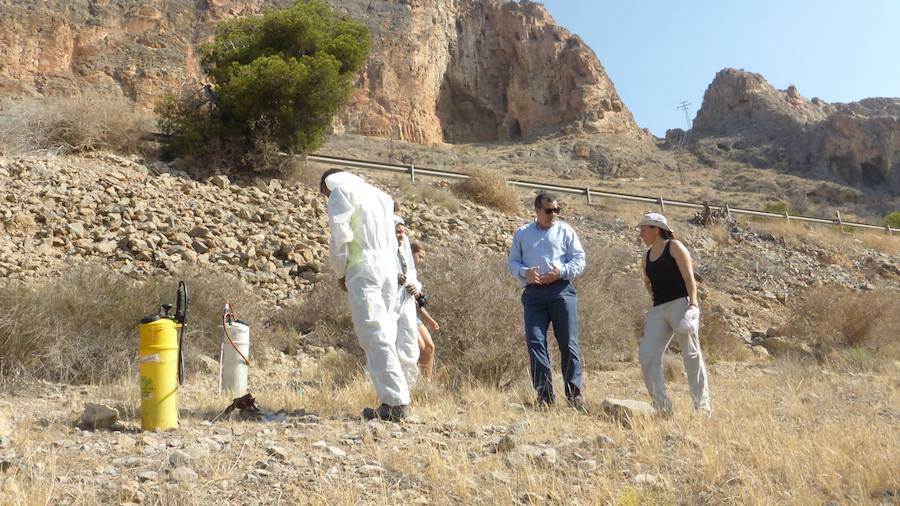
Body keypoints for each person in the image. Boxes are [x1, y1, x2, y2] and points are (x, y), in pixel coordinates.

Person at [320, 168, 410, 421]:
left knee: (373, 333)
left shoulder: (341, 193)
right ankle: (397, 397)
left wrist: (340, 273)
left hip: (363, 270)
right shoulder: (381, 196)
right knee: (387, 333)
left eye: (324, 195)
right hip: (387, 270)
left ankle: (394, 404)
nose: (327, 199)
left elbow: (340, 238)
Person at [508, 192, 586, 411]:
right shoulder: (522, 234)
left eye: (556, 210)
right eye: (549, 210)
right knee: (535, 342)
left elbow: (579, 260)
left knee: (568, 343)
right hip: (533, 295)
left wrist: (561, 272)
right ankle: (544, 396)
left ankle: (574, 395)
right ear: (537, 210)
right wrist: (525, 272)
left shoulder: (566, 231)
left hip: (561, 291)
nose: (553, 215)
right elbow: (513, 263)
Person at [637, 212, 711, 417]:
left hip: (680, 303)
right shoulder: (645, 256)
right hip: (658, 309)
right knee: (647, 356)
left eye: (644, 229)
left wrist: (693, 305)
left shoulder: (675, 247)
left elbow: (689, 278)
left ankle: (702, 408)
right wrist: (654, 299)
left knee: (691, 354)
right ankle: (662, 407)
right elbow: (647, 282)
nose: (641, 234)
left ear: (656, 229)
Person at [393, 215, 421, 387]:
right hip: (390, 306)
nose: (400, 235)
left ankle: (410, 386)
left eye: (402, 231)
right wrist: (393, 277)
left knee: (410, 345)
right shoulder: (383, 252)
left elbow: (413, 277)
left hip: (407, 305)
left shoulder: (404, 251)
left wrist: (414, 287)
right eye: (397, 231)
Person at [410, 241, 438, 383]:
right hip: (402, 315)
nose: (420, 261)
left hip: (413, 315)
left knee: (429, 347)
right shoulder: (401, 268)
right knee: (419, 346)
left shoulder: (413, 273)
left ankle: (425, 383)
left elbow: (417, 302)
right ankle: (411, 381)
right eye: (419, 256)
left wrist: (430, 320)